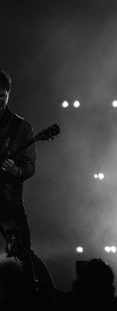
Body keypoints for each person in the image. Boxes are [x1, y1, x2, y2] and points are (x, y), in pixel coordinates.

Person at [0, 69, 54, 296]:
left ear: (8, 94)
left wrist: (15, 170)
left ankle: (39, 293)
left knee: (22, 252)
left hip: (8, 201)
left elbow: (30, 167)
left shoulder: (21, 128)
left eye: (1, 96)